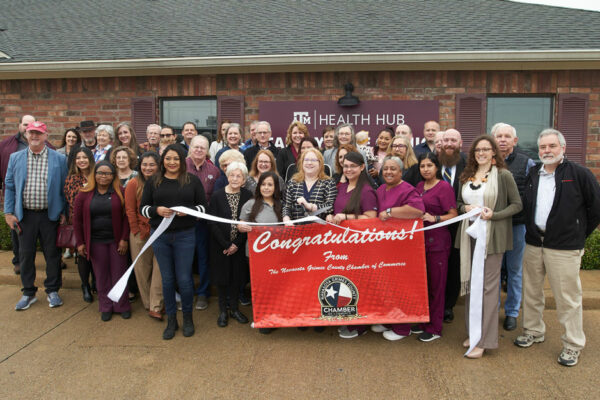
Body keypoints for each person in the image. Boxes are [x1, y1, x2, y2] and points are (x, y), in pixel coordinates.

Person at [514, 129, 600, 367]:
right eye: (543, 147)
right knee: (531, 291)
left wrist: (577, 234)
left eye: (552, 146)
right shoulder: (533, 174)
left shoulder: (580, 174)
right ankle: (533, 331)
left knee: (568, 298)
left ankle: (573, 344)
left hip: (564, 248)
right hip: (534, 242)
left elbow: (596, 209)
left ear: (563, 148)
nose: (547, 151)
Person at [456, 135, 522, 359]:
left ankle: (484, 339)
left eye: (486, 149)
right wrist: (466, 208)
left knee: (488, 288)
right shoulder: (466, 176)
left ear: (494, 152)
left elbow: (517, 205)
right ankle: (472, 332)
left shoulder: (503, 175)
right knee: (472, 285)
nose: (481, 153)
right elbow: (457, 204)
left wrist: (494, 215)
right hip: (469, 237)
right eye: (477, 150)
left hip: (492, 238)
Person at [140, 144, 207, 339]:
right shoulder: (154, 182)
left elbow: (204, 207)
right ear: (163, 161)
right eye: (168, 159)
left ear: (182, 161)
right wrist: (156, 211)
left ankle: (187, 318)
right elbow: (143, 208)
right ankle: (171, 320)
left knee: (185, 280)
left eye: (176, 159)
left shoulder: (192, 181)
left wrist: (190, 211)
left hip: (185, 236)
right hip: (161, 237)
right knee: (168, 280)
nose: (172, 162)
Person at [5, 121, 68, 311]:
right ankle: (28, 292)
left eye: (38, 133)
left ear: (46, 136)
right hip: (25, 216)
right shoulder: (15, 158)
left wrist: (64, 212)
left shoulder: (59, 159)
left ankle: (52, 290)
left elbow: (64, 188)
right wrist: (8, 213)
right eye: (31, 133)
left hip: (50, 216)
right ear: (26, 135)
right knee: (26, 255)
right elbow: (9, 186)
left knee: (52, 255)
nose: (34, 136)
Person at [369, 155, 425, 341]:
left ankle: (402, 328)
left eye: (393, 169)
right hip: (384, 246)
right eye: (386, 169)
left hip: (402, 247)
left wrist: (391, 212)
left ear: (401, 172)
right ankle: (388, 320)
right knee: (386, 285)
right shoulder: (382, 189)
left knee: (400, 286)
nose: (389, 172)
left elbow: (418, 210)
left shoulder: (407, 189)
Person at [326, 151, 378, 339]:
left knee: (360, 283)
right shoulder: (342, 187)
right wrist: (331, 216)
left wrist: (347, 217)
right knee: (347, 283)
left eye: (352, 166)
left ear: (362, 167)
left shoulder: (366, 190)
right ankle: (348, 318)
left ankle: (361, 325)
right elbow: (336, 211)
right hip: (341, 244)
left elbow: (372, 218)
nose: (348, 169)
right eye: (345, 166)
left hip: (360, 246)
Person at [73, 161, 131, 321]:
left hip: (116, 240)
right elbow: (77, 221)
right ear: (94, 175)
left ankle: (122, 305)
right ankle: (105, 306)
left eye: (107, 173)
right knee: (101, 275)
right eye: (100, 173)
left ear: (113, 176)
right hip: (95, 241)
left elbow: (126, 217)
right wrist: (80, 243)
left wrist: (124, 239)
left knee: (119, 274)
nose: (103, 176)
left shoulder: (121, 192)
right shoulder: (84, 193)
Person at [492, 123, 536, 331]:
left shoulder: (526, 162)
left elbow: (532, 195)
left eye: (506, 136)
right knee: (495, 270)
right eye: (498, 136)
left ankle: (511, 312)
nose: (502, 139)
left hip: (517, 225)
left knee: (514, 270)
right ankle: (493, 310)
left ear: (515, 141)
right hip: (492, 225)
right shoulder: (486, 161)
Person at [414, 152, 457, 342]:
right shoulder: (419, 186)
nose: (425, 169)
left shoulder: (444, 187)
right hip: (420, 241)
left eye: (429, 166)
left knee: (437, 286)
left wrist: (436, 218)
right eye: (422, 166)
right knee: (424, 284)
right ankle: (424, 321)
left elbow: (453, 214)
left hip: (438, 241)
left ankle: (435, 327)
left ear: (436, 168)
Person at [208, 162, 253, 327]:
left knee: (236, 278)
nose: (235, 178)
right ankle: (222, 311)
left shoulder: (248, 196)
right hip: (220, 246)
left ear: (244, 179)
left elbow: (249, 222)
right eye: (232, 175)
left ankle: (234, 309)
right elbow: (212, 223)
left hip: (239, 247)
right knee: (222, 279)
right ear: (227, 177)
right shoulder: (217, 196)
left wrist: (236, 244)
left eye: (238, 176)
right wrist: (226, 244)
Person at [238, 171, 283, 334]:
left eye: (270, 184)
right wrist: (242, 227)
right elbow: (240, 224)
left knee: (275, 287)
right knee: (260, 287)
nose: (266, 187)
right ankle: (262, 318)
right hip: (255, 254)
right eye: (263, 184)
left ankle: (275, 315)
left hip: (276, 254)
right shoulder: (250, 204)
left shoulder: (281, 204)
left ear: (275, 187)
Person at [125, 152, 163, 320]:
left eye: (152, 164)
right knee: (142, 269)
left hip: (161, 231)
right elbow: (130, 209)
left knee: (160, 269)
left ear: (158, 166)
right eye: (144, 164)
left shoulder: (163, 183)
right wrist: (136, 231)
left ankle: (156, 305)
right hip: (141, 232)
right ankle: (148, 303)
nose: (148, 168)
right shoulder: (133, 183)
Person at [186, 135, 221, 310]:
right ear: (190, 148)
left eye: (202, 147)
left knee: (203, 258)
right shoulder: (180, 167)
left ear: (207, 151)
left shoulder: (214, 171)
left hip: (203, 224)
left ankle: (203, 293)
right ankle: (186, 291)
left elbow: (215, 199)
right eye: (196, 147)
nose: (199, 150)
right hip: (182, 223)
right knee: (184, 258)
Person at [0, 114, 36, 275]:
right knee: (17, 231)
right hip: (15, 196)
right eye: (25, 124)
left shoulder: (45, 143)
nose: (28, 128)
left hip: (37, 195)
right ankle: (18, 260)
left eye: (31, 125)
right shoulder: (6, 145)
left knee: (42, 233)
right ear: (19, 125)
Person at [438, 128, 467, 323]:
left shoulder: (468, 165)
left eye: (453, 140)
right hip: (434, 224)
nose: (449, 143)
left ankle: (448, 305)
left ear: (460, 143)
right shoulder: (430, 162)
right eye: (446, 140)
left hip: (459, 224)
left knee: (454, 266)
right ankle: (434, 304)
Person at [64, 147, 96, 302]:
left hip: (98, 221)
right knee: (83, 255)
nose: (81, 160)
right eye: (78, 158)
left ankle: (95, 281)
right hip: (80, 223)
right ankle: (85, 286)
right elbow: (75, 202)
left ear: (90, 159)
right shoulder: (71, 179)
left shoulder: (98, 175)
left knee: (96, 253)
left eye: (84, 157)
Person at [283, 148, 336, 222]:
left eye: (313, 160)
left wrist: (311, 207)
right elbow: (286, 206)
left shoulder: (328, 183)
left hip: (320, 230)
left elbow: (330, 206)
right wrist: (286, 219)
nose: (309, 163)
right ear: (302, 163)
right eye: (306, 160)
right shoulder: (293, 183)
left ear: (320, 163)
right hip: (295, 229)